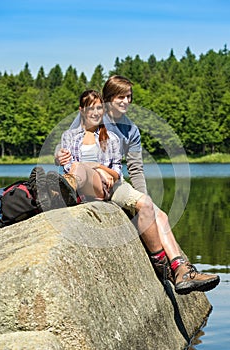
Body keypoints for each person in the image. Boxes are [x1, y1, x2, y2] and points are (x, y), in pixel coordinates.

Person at [55, 75, 220, 295]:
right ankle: (172, 267)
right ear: (108, 99)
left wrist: (144, 203)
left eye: (129, 97)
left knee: (158, 214)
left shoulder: (131, 131)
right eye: (120, 97)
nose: (126, 101)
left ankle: (181, 269)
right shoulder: (94, 116)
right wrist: (61, 156)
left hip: (114, 181)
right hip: (89, 181)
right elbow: (65, 148)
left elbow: (135, 168)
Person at [52, 89, 122, 203]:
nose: (96, 113)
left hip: (101, 186)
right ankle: (53, 192)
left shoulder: (112, 138)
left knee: (78, 167)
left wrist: (99, 168)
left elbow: (116, 174)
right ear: (82, 111)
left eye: (99, 108)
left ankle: (56, 194)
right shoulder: (69, 136)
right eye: (90, 108)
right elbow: (68, 167)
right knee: (76, 168)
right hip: (77, 182)